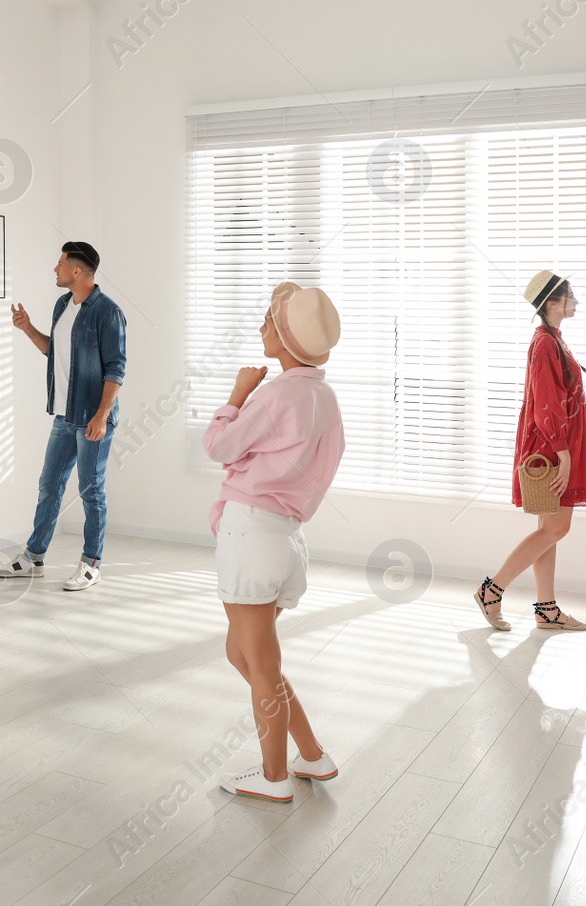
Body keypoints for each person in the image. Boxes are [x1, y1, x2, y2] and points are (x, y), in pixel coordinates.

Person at [206, 282, 344, 802]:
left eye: (268, 321)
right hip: (288, 542)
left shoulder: (273, 394)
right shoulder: (323, 397)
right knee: (244, 654)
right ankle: (311, 756)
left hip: (251, 536)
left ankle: (273, 778)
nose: (262, 327)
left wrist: (237, 396)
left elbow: (219, 445)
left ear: (284, 338)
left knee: (259, 664)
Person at [0, 241, 127, 591]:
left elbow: (116, 369)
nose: (56, 269)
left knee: (90, 491)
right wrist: (27, 328)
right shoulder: (62, 306)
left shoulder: (107, 312)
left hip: (92, 418)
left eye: (60, 264)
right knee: (49, 485)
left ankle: (91, 563)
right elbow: (55, 354)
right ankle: (33, 557)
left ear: (77, 271)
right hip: (64, 416)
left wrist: (101, 415)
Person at [475, 270, 586, 632]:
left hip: (559, 444)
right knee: (556, 528)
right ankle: (492, 591)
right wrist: (563, 452)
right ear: (552, 303)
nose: (576, 301)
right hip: (553, 447)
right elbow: (545, 403)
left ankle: (546, 609)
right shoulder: (544, 343)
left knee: (548, 527)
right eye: (570, 296)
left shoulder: (553, 338)